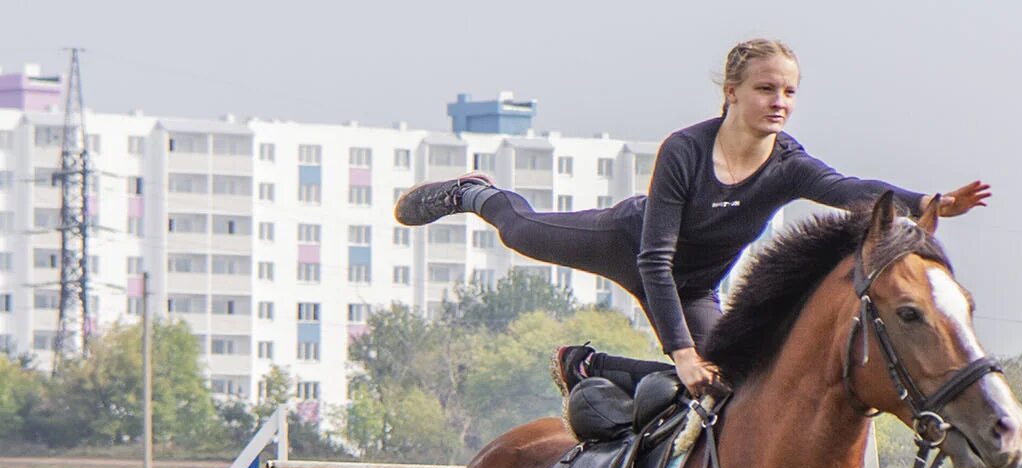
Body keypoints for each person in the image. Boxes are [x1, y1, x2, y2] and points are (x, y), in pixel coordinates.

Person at [395, 38, 990, 395]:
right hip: (629, 243)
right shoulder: (685, 149)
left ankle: (589, 367)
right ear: (732, 91)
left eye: (788, 91)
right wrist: (681, 352)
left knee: (726, 384)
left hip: (696, 286)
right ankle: (475, 191)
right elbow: (655, 260)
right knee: (521, 232)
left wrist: (927, 204)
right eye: (764, 89)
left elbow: (849, 188)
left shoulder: (787, 164)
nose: (778, 101)